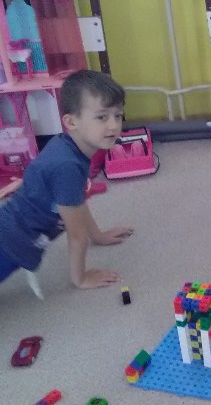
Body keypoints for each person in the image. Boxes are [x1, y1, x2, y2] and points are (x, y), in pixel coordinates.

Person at [0, 70, 134, 292]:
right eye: (102, 117)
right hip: (10, 244)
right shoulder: (67, 166)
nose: (113, 125)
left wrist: (97, 236)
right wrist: (80, 278)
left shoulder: (69, 147)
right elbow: (76, 234)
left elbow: (77, 201)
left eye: (118, 116)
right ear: (71, 122)